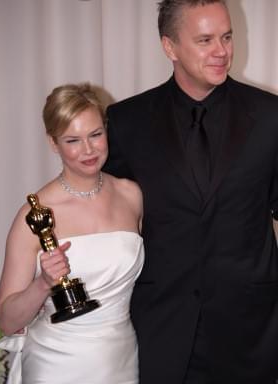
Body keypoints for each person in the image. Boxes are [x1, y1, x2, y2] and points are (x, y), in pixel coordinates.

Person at [103, 1, 278, 383]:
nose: (222, 50)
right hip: (160, 332)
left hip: (251, 335)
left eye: (227, 36)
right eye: (205, 40)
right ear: (170, 47)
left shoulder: (271, 117)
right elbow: (105, 218)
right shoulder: (126, 122)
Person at [0, 83, 144, 384]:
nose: (88, 150)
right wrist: (42, 284)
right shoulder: (33, 215)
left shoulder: (132, 195)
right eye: (73, 140)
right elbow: (8, 322)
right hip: (56, 366)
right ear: (53, 143)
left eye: (95, 134)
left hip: (122, 360)